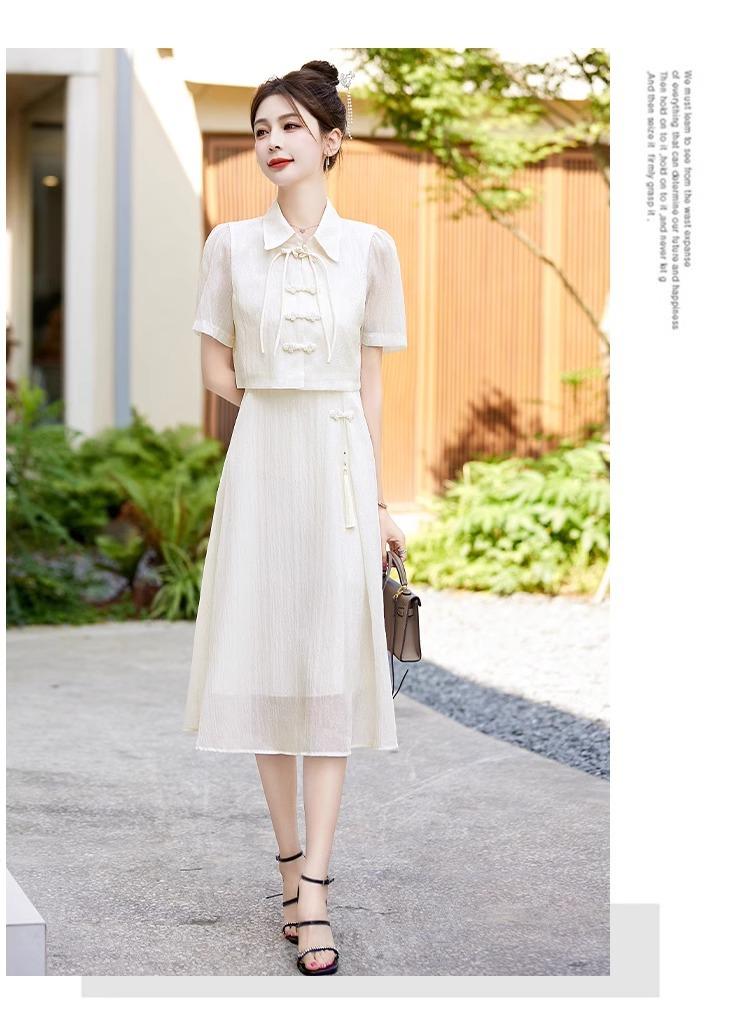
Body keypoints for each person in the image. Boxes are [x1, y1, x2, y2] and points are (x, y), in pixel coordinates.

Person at [182, 60, 409, 976]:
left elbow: (371, 382)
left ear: (331, 141)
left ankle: (316, 888)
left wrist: (379, 499)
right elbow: (214, 368)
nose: (271, 141)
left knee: (328, 676)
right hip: (263, 465)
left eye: (289, 126)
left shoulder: (373, 249)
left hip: (341, 469)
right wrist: (281, 407)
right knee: (269, 666)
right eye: (260, 128)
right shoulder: (231, 245)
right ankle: (288, 870)